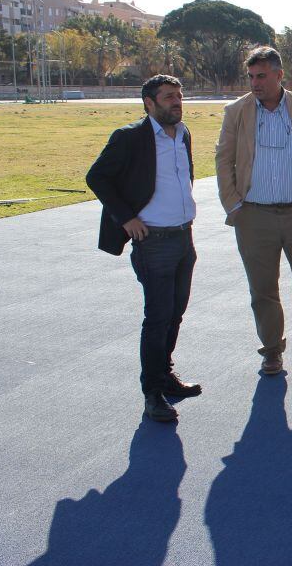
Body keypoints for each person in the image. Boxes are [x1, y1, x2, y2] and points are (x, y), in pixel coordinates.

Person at [215, 46, 292, 376]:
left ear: (279, 75)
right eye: (251, 77)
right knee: (262, 288)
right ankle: (272, 351)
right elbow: (224, 160)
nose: (255, 83)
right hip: (254, 217)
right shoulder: (237, 112)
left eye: (262, 76)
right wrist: (235, 205)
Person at [86, 74, 201, 423]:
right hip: (153, 242)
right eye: (168, 97)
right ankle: (152, 394)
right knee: (157, 318)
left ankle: (166, 377)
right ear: (149, 104)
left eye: (179, 96)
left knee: (175, 313)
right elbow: (97, 177)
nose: (176, 102)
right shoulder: (130, 137)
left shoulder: (183, 134)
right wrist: (126, 218)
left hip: (184, 238)